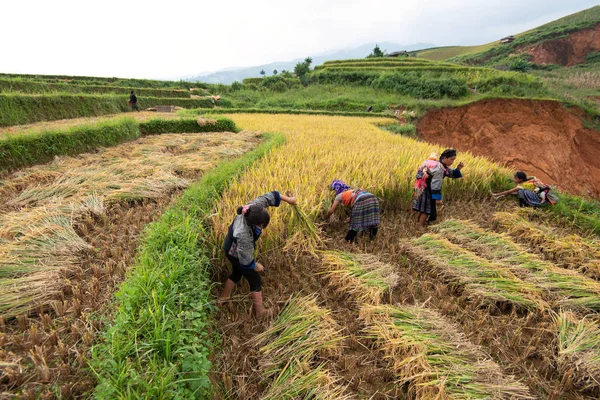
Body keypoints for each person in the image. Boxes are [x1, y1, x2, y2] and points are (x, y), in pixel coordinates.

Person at [218, 190, 297, 318]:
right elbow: (245, 260)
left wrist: (289, 200)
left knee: (237, 273)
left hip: (231, 247)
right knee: (254, 279)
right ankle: (260, 313)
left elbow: (271, 196)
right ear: (256, 225)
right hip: (234, 253)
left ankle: (223, 298)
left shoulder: (253, 208)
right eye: (262, 226)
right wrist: (255, 265)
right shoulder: (244, 235)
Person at [413, 149, 465, 230]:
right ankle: (420, 225)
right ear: (445, 158)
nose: (452, 162)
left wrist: (458, 169)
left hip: (422, 186)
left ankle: (419, 222)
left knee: (423, 207)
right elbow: (436, 184)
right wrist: (437, 198)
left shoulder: (441, 165)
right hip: (426, 188)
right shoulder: (439, 168)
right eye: (451, 159)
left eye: (454, 160)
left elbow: (450, 173)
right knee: (427, 209)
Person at [491, 171, 558, 207]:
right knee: (520, 192)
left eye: (515, 178)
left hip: (540, 198)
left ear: (521, 179)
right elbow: (511, 192)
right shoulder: (529, 179)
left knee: (521, 191)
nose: (514, 180)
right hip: (544, 194)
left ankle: (533, 203)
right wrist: (509, 193)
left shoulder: (523, 186)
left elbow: (508, 191)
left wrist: (495, 194)